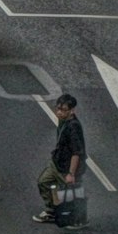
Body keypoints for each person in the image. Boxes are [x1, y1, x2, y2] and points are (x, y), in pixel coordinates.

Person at [33, 93, 85, 224]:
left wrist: (71, 174)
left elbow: (76, 152)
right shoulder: (63, 120)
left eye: (63, 110)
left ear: (72, 110)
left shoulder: (73, 127)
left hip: (67, 168)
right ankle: (51, 211)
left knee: (71, 195)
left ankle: (80, 219)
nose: (59, 112)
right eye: (58, 109)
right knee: (43, 182)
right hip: (57, 163)